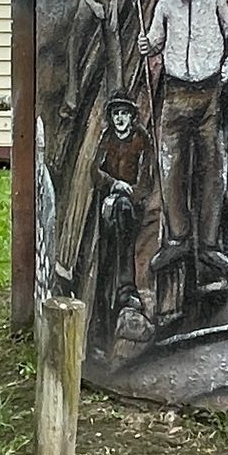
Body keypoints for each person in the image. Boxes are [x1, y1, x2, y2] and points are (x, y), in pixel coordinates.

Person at [139, 0, 228, 296]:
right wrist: (147, 45)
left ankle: (209, 244)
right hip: (175, 92)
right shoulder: (167, 1)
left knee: (212, 168)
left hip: (208, 93)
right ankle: (179, 238)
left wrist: (222, 76)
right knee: (171, 168)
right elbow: (155, 39)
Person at [87, 95, 153, 346]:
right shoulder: (108, 139)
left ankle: (127, 291)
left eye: (124, 114)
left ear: (132, 117)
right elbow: (96, 170)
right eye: (116, 114)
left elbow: (146, 178)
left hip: (131, 207)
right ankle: (104, 311)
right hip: (108, 202)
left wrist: (130, 193)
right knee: (106, 253)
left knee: (125, 235)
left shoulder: (141, 139)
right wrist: (114, 185)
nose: (120, 119)